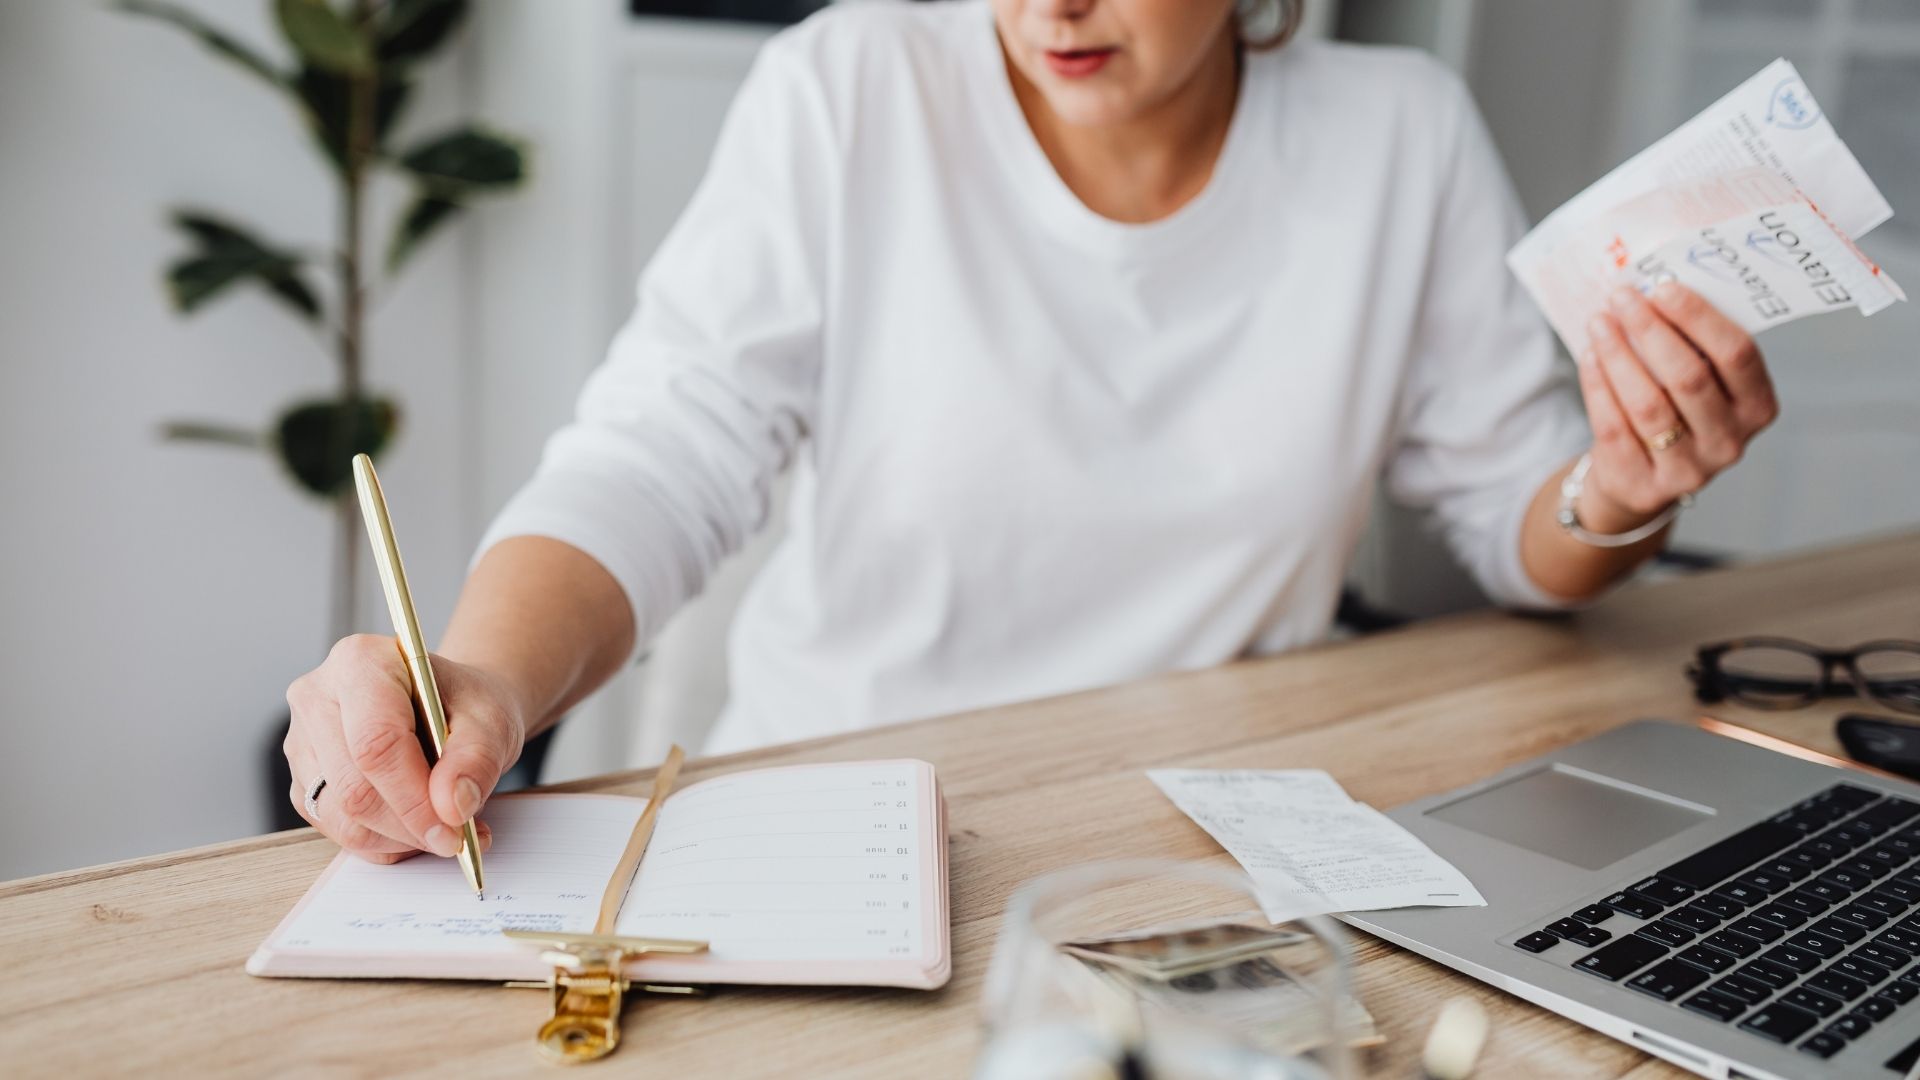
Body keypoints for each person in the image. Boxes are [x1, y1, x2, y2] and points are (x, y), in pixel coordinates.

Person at [283, 0, 1780, 863]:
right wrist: (477, 673)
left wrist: (1618, 490)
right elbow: (662, 452)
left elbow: (1522, 523)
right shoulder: (851, 86)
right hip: (837, 835)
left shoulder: (1400, 134)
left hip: (1213, 848)